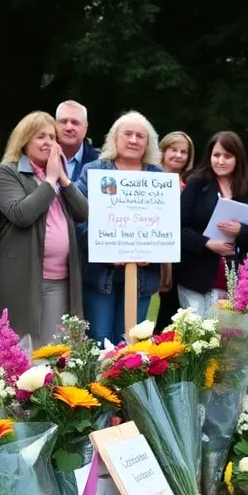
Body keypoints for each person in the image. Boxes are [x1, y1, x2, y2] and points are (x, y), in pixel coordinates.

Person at [0, 111, 87, 346]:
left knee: (52, 352)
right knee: (21, 353)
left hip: (59, 279)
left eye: (52, 137)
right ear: (25, 141)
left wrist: (63, 180)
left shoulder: (56, 175)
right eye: (40, 137)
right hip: (25, 277)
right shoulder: (8, 172)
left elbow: (84, 213)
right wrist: (49, 181)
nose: (49, 143)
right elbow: (21, 214)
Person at [75, 111, 164, 345]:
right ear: (115, 137)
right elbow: (78, 218)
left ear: (149, 142)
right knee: (99, 339)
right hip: (100, 275)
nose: (133, 140)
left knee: (132, 341)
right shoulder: (93, 171)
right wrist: (105, 249)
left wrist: (153, 254)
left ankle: (127, 383)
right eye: (128, 134)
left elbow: (167, 224)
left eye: (140, 136)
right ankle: (98, 383)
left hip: (143, 276)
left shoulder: (159, 177)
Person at [179, 131, 248, 309]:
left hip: (239, 277)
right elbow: (179, 228)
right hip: (196, 275)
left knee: (231, 334)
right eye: (216, 155)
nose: (220, 161)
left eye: (227, 156)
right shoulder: (196, 184)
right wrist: (207, 243)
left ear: (238, 158)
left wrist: (241, 230)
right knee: (198, 331)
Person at [154, 131, 196, 331]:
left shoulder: (188, 185)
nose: (179, 156)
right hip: (152, 253)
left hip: (179, 256)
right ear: (163, 151)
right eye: (174, 150)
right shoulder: (148, 177)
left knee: (172, 312)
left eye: (184, 152)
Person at [55, 100, 99, 184]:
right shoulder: (41, 157)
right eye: (63, 122)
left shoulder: (100, 161)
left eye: (75, 123)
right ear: (54, 125)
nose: (68, 128)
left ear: (85, 128)